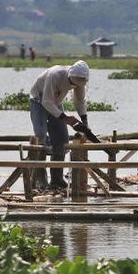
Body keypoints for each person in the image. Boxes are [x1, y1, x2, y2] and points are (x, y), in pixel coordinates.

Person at [29, 60, 90, 190]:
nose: (74, 85)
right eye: (72, 83)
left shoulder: (80, 81)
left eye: (76, 85)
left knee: (62, 139)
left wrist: (84, 121)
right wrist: (65, 117)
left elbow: (79, 101)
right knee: (40, 137)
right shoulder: (54, 75)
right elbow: (46, 101)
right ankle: (41, 181)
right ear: (70, 76)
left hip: (56, 104)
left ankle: (57, 180)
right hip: (39, 101)